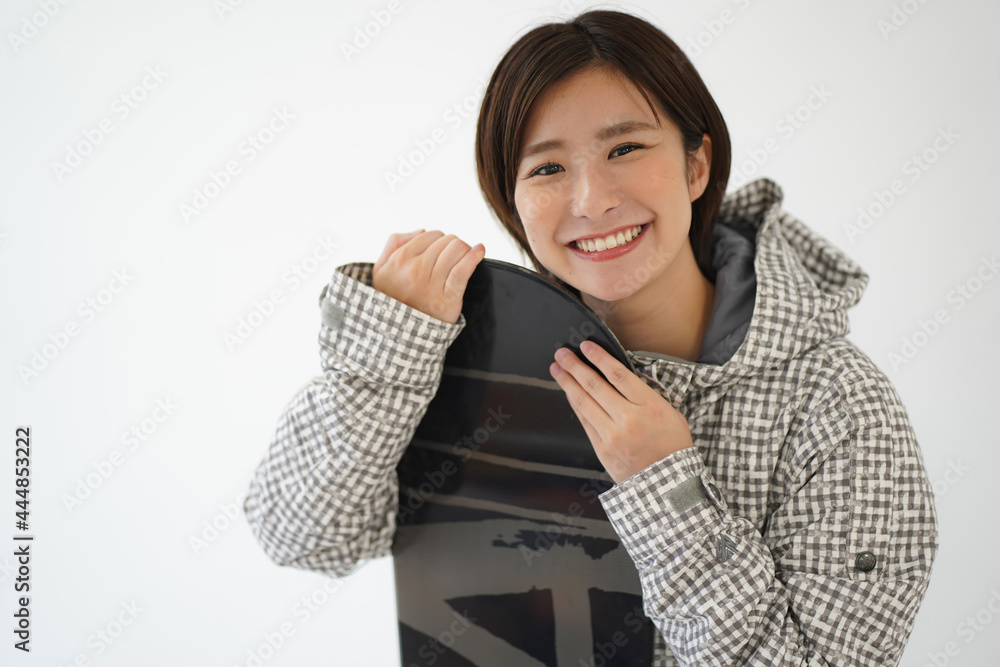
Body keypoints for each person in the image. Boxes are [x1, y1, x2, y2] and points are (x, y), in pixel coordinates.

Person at [242, 9, 938, 665]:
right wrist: (385, 360)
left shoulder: (837, 404)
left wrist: (667, 489)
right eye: (547, 168)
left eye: (625, 148)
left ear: (696, 166)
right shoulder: (457, 355)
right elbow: (304, 539)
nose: (591, 200)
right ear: (512, 202)